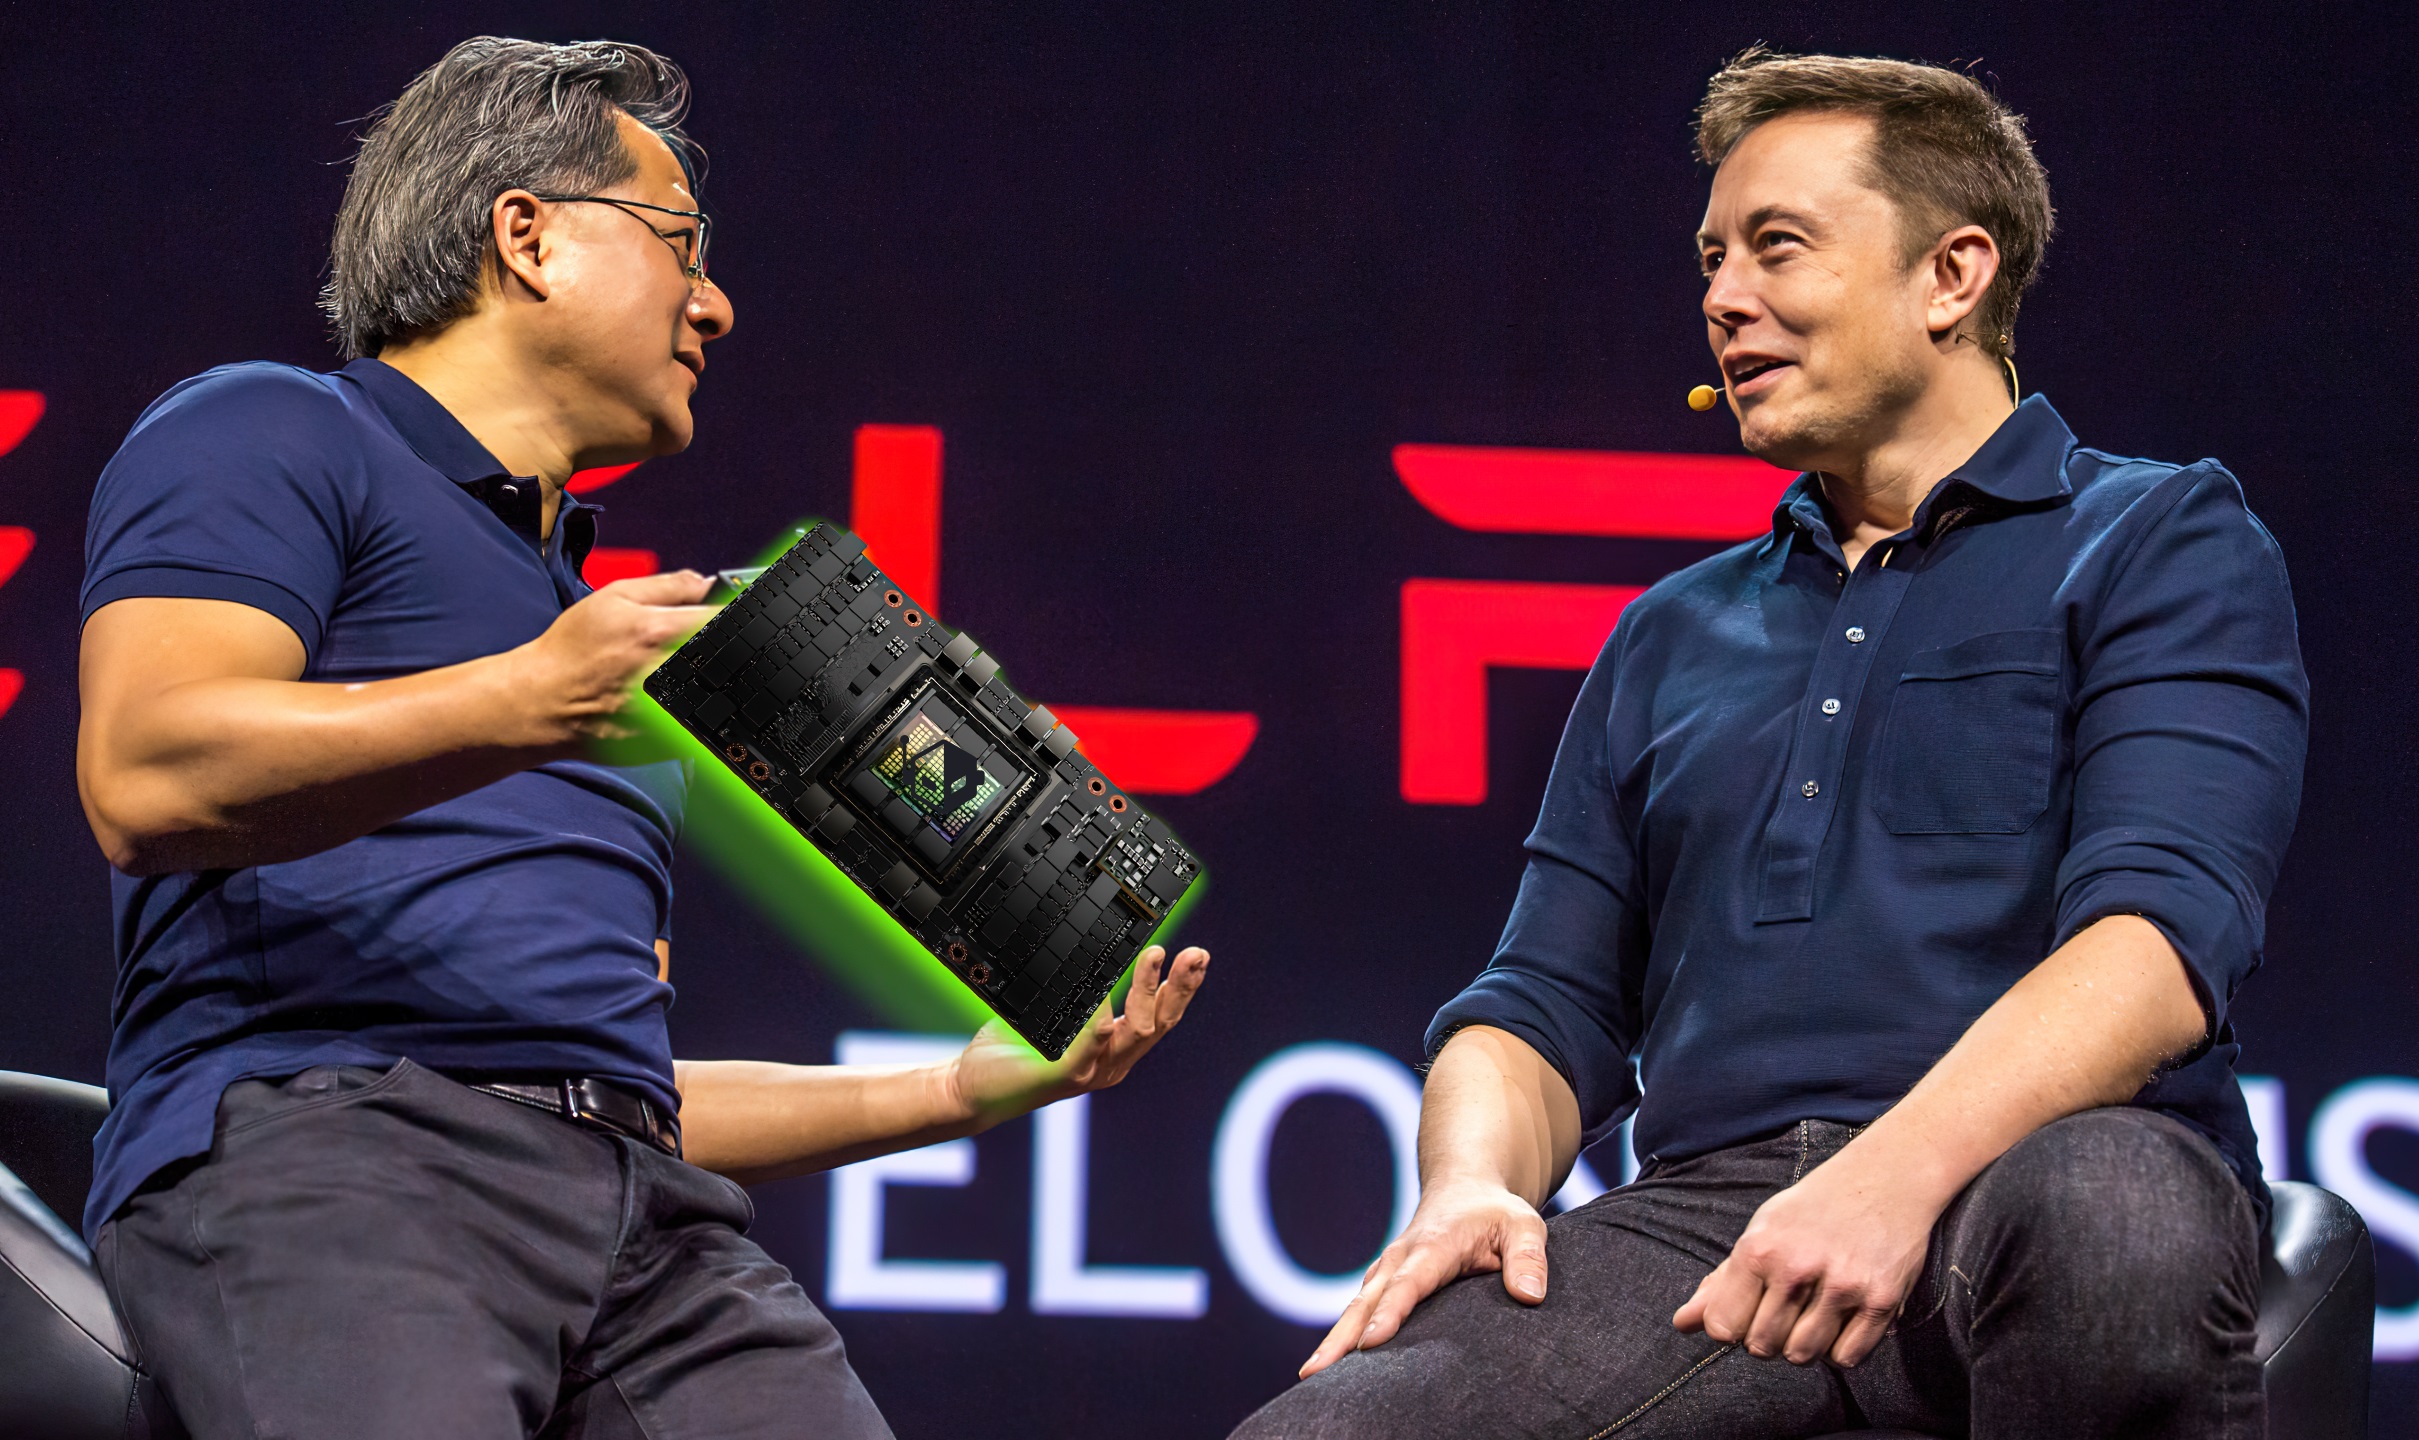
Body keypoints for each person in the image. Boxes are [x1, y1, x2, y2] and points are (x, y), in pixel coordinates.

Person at [76, 37, 1208, 1440]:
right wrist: (528, 698)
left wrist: (958, 1089)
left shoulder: (597, 652)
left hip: (652, 1227)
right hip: (334, 1156)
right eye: (682, 243)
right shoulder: (274, 430)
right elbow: (145, 772)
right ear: (527, 237)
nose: (715, 304)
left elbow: (614, 1081)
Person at [1235, 48, 2303, 1440]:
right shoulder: (1671, 632)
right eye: (1710, 260)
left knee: (2117, 1217)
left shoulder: (2159, 540)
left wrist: (1892, 1176)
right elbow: (1540, 1005)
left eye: (1776, 247)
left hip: (2037, 1178)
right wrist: (1471, 1180)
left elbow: (2156, 949)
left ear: (1951, 276)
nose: (1722, 298)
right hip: (1715, 1225)